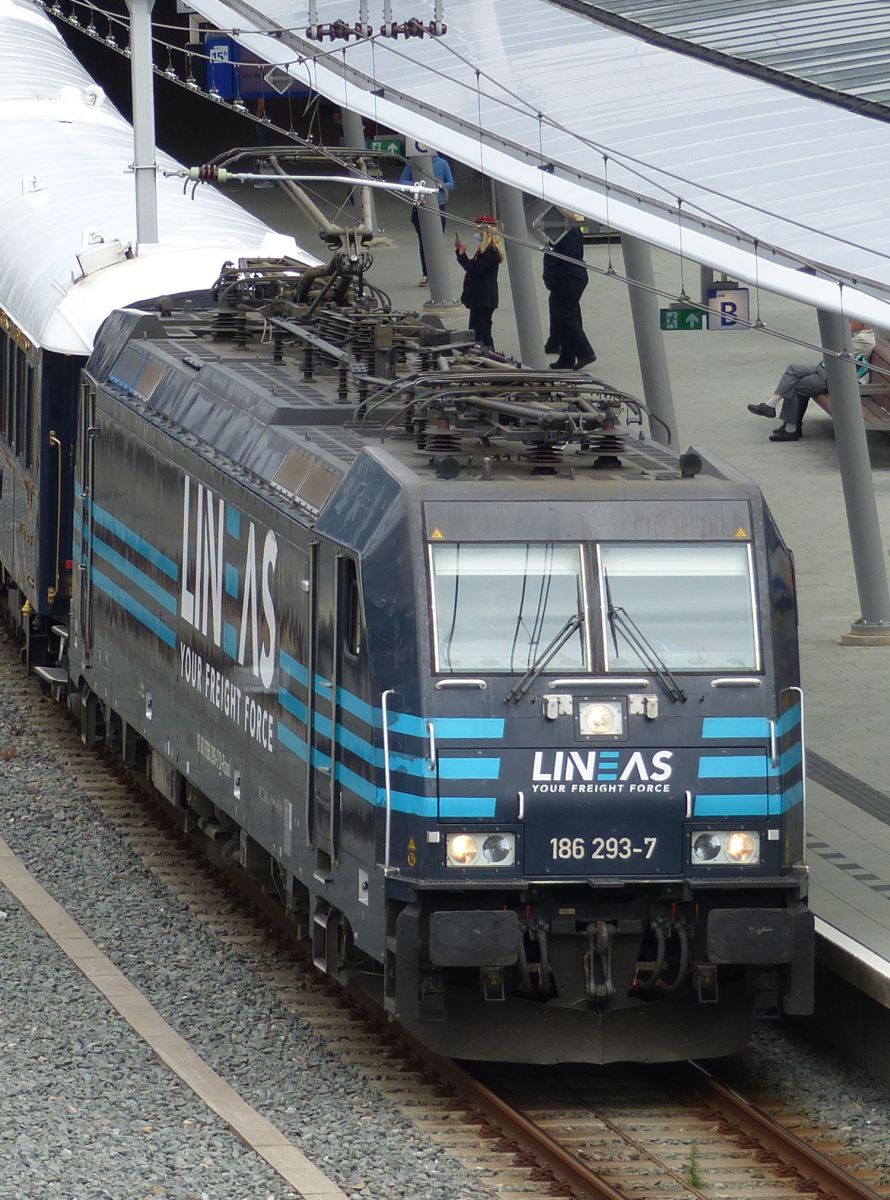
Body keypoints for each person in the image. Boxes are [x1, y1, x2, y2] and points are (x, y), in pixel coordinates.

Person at [747, 320, 876, 441]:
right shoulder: (858, 334)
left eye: (852, 321)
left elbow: (835, 350)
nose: (849, 323)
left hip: (834, 377)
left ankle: (790, 428)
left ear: (862, 324)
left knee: (796, 386)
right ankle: (771, 405)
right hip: (826, 369)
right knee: (793, 369)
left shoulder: (865, 340)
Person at [542, 214, 597, 370]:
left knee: (565, 316)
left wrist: (549, 280)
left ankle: (585, 352)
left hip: (566, 277)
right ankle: (567, 357)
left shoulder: (557, 232)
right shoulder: (574, 229)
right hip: (577, 275)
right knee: (569, 313)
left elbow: (552, 258)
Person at [399, 152, 455, 285]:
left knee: (437, 241)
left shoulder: (442, 163)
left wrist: (442, 185)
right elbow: (402, 181)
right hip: (421, 205)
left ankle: (437, 273)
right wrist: (416, 185)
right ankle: (426, 273)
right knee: (423, 242)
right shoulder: (413, 162)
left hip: (439, 205)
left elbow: (451, 183)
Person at [454, 215, 505, 349]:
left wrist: (462, 255)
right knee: (480, 331)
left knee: (481, 333)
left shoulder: (490, 252)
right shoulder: (485, 250)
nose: (476, 234)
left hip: (484, 298)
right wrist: (460, 254)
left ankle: (488, 354)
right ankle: (486, 353)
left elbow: (474, 270)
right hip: (481, 298)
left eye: (477, 231)